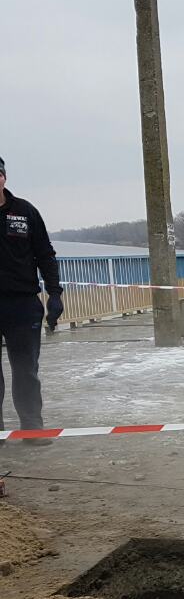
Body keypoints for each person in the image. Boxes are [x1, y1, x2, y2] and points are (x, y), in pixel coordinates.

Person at [0, 156, 61, 445]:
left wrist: (55, 294)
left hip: (23, 305)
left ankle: (32, 429)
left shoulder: (25, 212)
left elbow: (45, 255)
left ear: (4, 178)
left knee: (26, 369)